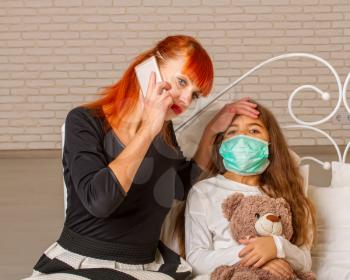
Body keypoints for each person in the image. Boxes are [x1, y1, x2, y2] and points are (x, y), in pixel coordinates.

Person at [23, 35, 259, 280]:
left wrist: (211, 131)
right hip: (84, 263)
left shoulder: (164, 131)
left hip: (147, 266)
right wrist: (148, 128)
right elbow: (100, 201)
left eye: (195, 94)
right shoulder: (84, 121)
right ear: (149, 68)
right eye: (181, 82)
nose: (187, 100)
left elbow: (182, 186)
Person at [184, 101, 317, 278]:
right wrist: (256, 255)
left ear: (270, 143)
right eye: (232, 132)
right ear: (222, 146)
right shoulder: (203, 192)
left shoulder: (287, 193)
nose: (242, 138)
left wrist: (276, 247)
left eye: (254, 130)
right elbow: (196, 261)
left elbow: (305, 261)